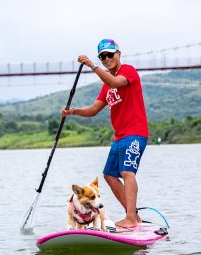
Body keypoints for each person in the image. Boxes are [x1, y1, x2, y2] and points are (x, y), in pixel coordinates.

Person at [62, 39, 149, 228]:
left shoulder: (128, 71)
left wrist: (92, 66)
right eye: (102, 57)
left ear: (118, 54)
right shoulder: (105, 86)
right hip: (119, 137)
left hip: (135, 133)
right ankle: (133, 216)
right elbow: (93, 109)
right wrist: (73, 111)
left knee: (126, 171)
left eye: (110, 54)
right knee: (109, 174)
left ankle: (131, 218)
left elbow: (116, 81)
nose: (107, 58)